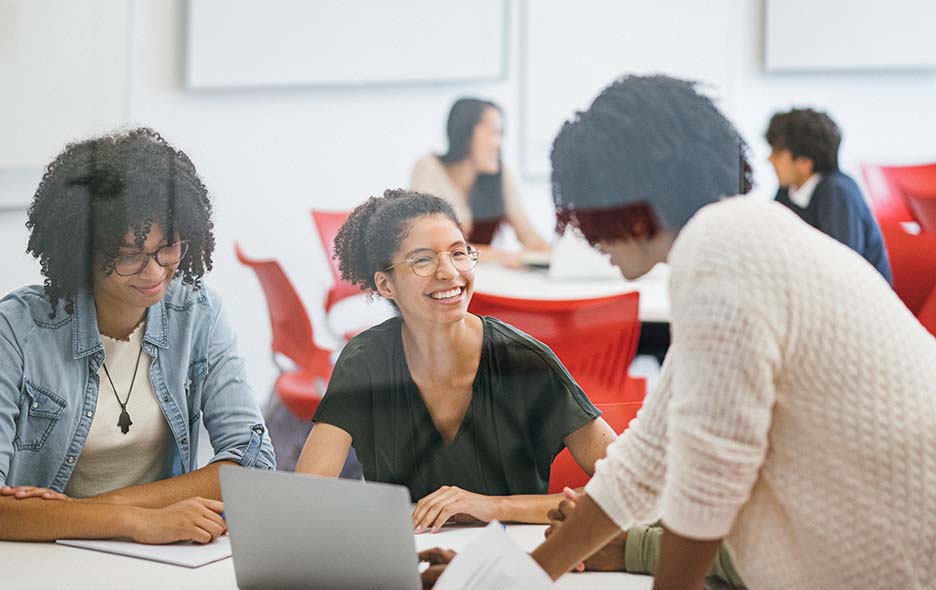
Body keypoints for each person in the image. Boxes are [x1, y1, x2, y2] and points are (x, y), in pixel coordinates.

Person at [426, 75, 936, 590]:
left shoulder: (719, 251)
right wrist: (505, 576)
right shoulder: (739, 233)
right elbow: (645, 459)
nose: (579, 228)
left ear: (622, 199)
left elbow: (711, 478)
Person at [0, 128, 275, 544]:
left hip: (157, 555)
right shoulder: (16, 331)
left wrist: (87, 512)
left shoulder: (198, 313)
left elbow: (252, 467)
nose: (154, 272)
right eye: (129, 256)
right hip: (46, 559)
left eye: (169, 248)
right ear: (82, 251)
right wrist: (134, 521)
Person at [295, 189, 616, 531]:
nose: (449, 272)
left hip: (508, 561)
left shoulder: (525, 362)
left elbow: (628, 488)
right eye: (423, 260)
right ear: (385, 284)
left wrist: (491, 507)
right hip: (406, 561)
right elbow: (308, 497)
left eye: (458, 253)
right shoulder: (364, 362)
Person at [410, 97, 551, 268]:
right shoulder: (428, 169)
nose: (500, 144)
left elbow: (529, 236)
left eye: (501, 134)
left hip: (487, 283)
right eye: (494, 133)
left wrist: (552, 256)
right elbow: (436, 247)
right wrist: (500, 256)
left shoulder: (501, 175)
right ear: (467, 134)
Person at [767, 107, 892, 284]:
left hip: (856, 300)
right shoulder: (787, 190)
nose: (769, 159)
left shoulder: (837, 193)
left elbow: (842, 269)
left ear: (804, 163)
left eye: (777, 153)